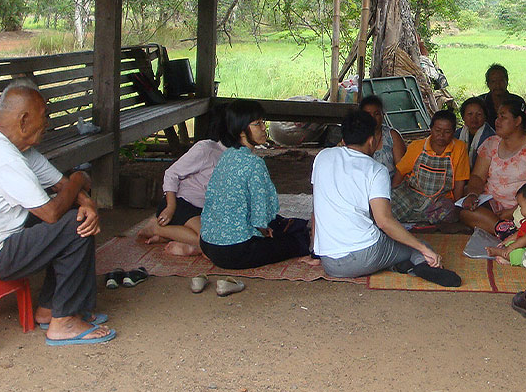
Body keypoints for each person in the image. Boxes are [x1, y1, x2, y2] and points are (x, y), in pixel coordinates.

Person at [0, 80, 111, 346]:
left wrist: (85, 201)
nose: (47, 123)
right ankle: (63, 322)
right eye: (44, 116)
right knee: (71, 226)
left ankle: (49, 309)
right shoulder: (2, 158)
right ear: (23, 121)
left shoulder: (18, 150)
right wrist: (78, 179)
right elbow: (51, 213)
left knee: (76, 215)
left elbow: (60, 185)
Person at [312, 110, 461, 286]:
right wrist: (423, 248)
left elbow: (316, 209)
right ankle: (423, 263)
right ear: (371, 140)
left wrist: (314, 252)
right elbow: (384, 221)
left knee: (390, 242)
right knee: (414, 245)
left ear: (343, 140)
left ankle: (403, 265)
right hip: (364, 255)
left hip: (330, 262)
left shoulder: (322, 157)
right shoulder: (376, 170)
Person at [198, 100, 311, 270]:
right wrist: (264, 230)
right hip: (236, 251)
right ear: (241, 130)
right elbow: (261, 213)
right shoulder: (254, 163)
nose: (263, 128)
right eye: (257, 124)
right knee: (299, 240)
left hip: (207, 243)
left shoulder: (226, 156)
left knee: (283, 224)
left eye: (262, 122)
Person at [138, 107, 226, 257]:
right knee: (210, 239)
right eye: (256, 124)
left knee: (230, 237)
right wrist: (171, 206)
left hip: (205, 210)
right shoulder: (206, 149)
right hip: (182, 203)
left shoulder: (242, 157)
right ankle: (157, 229)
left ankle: (175, 237)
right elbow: (172, 174)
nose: (263, 129)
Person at [459, 98, 526, 235]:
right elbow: (478, 176)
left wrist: (512, 212)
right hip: (491, 205)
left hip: (522, 207)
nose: (497, 121)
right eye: (497, 116)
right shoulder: (491, 143)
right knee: (465, 213)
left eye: (503, 117)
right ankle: (505, 231)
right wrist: (473, 194)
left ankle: (501, 228)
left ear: (518, 121)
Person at [390, 109, 469, 224]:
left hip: (439, 199)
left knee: (449, 212)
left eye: (447, 132)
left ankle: (418, 223)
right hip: (412, 194)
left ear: (453, 132)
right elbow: (400, 172)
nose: (441, 135)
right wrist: (394, 193)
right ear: (431, 129)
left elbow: (459, 181)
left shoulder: (459, 148)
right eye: (437, 130)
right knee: (391, 207)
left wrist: (458, 205)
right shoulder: (417, 146)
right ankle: (421, 223)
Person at [487, 182, 526, 266]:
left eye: (520, 206)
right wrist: (507, 241)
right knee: (510, 244)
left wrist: (511, 247)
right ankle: (509, 258)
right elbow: (519, 233)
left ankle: (500, 253)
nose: (519, 209)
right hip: (524, 247)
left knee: (519, 254)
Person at [359, 95, 406, 176]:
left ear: (383, 115)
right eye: (368, 114)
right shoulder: (354, 136)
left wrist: (390, 187)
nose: (372, 118)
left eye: (376, 114)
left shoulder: (392, 136)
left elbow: (401, 170)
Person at [456, 97, 494, 170]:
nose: (474, 118)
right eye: (470, 114)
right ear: (463, 117)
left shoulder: (490, 137)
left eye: (479, 114)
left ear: (485, 116)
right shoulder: (457, 134)